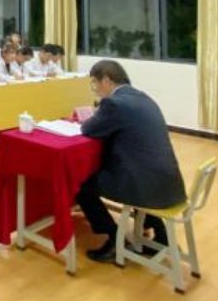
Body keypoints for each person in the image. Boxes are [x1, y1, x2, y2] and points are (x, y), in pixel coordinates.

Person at [76, 60, 187, 263]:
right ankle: (161, 236)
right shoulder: (144, 98)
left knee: (82, 184)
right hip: (168, 182)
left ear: (106, 80)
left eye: (95, 83)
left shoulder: (113, 103)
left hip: (142, 186)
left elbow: (88, 129)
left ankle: (113, 238)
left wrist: (96, 114)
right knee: (140, 170)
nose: (95, 89)